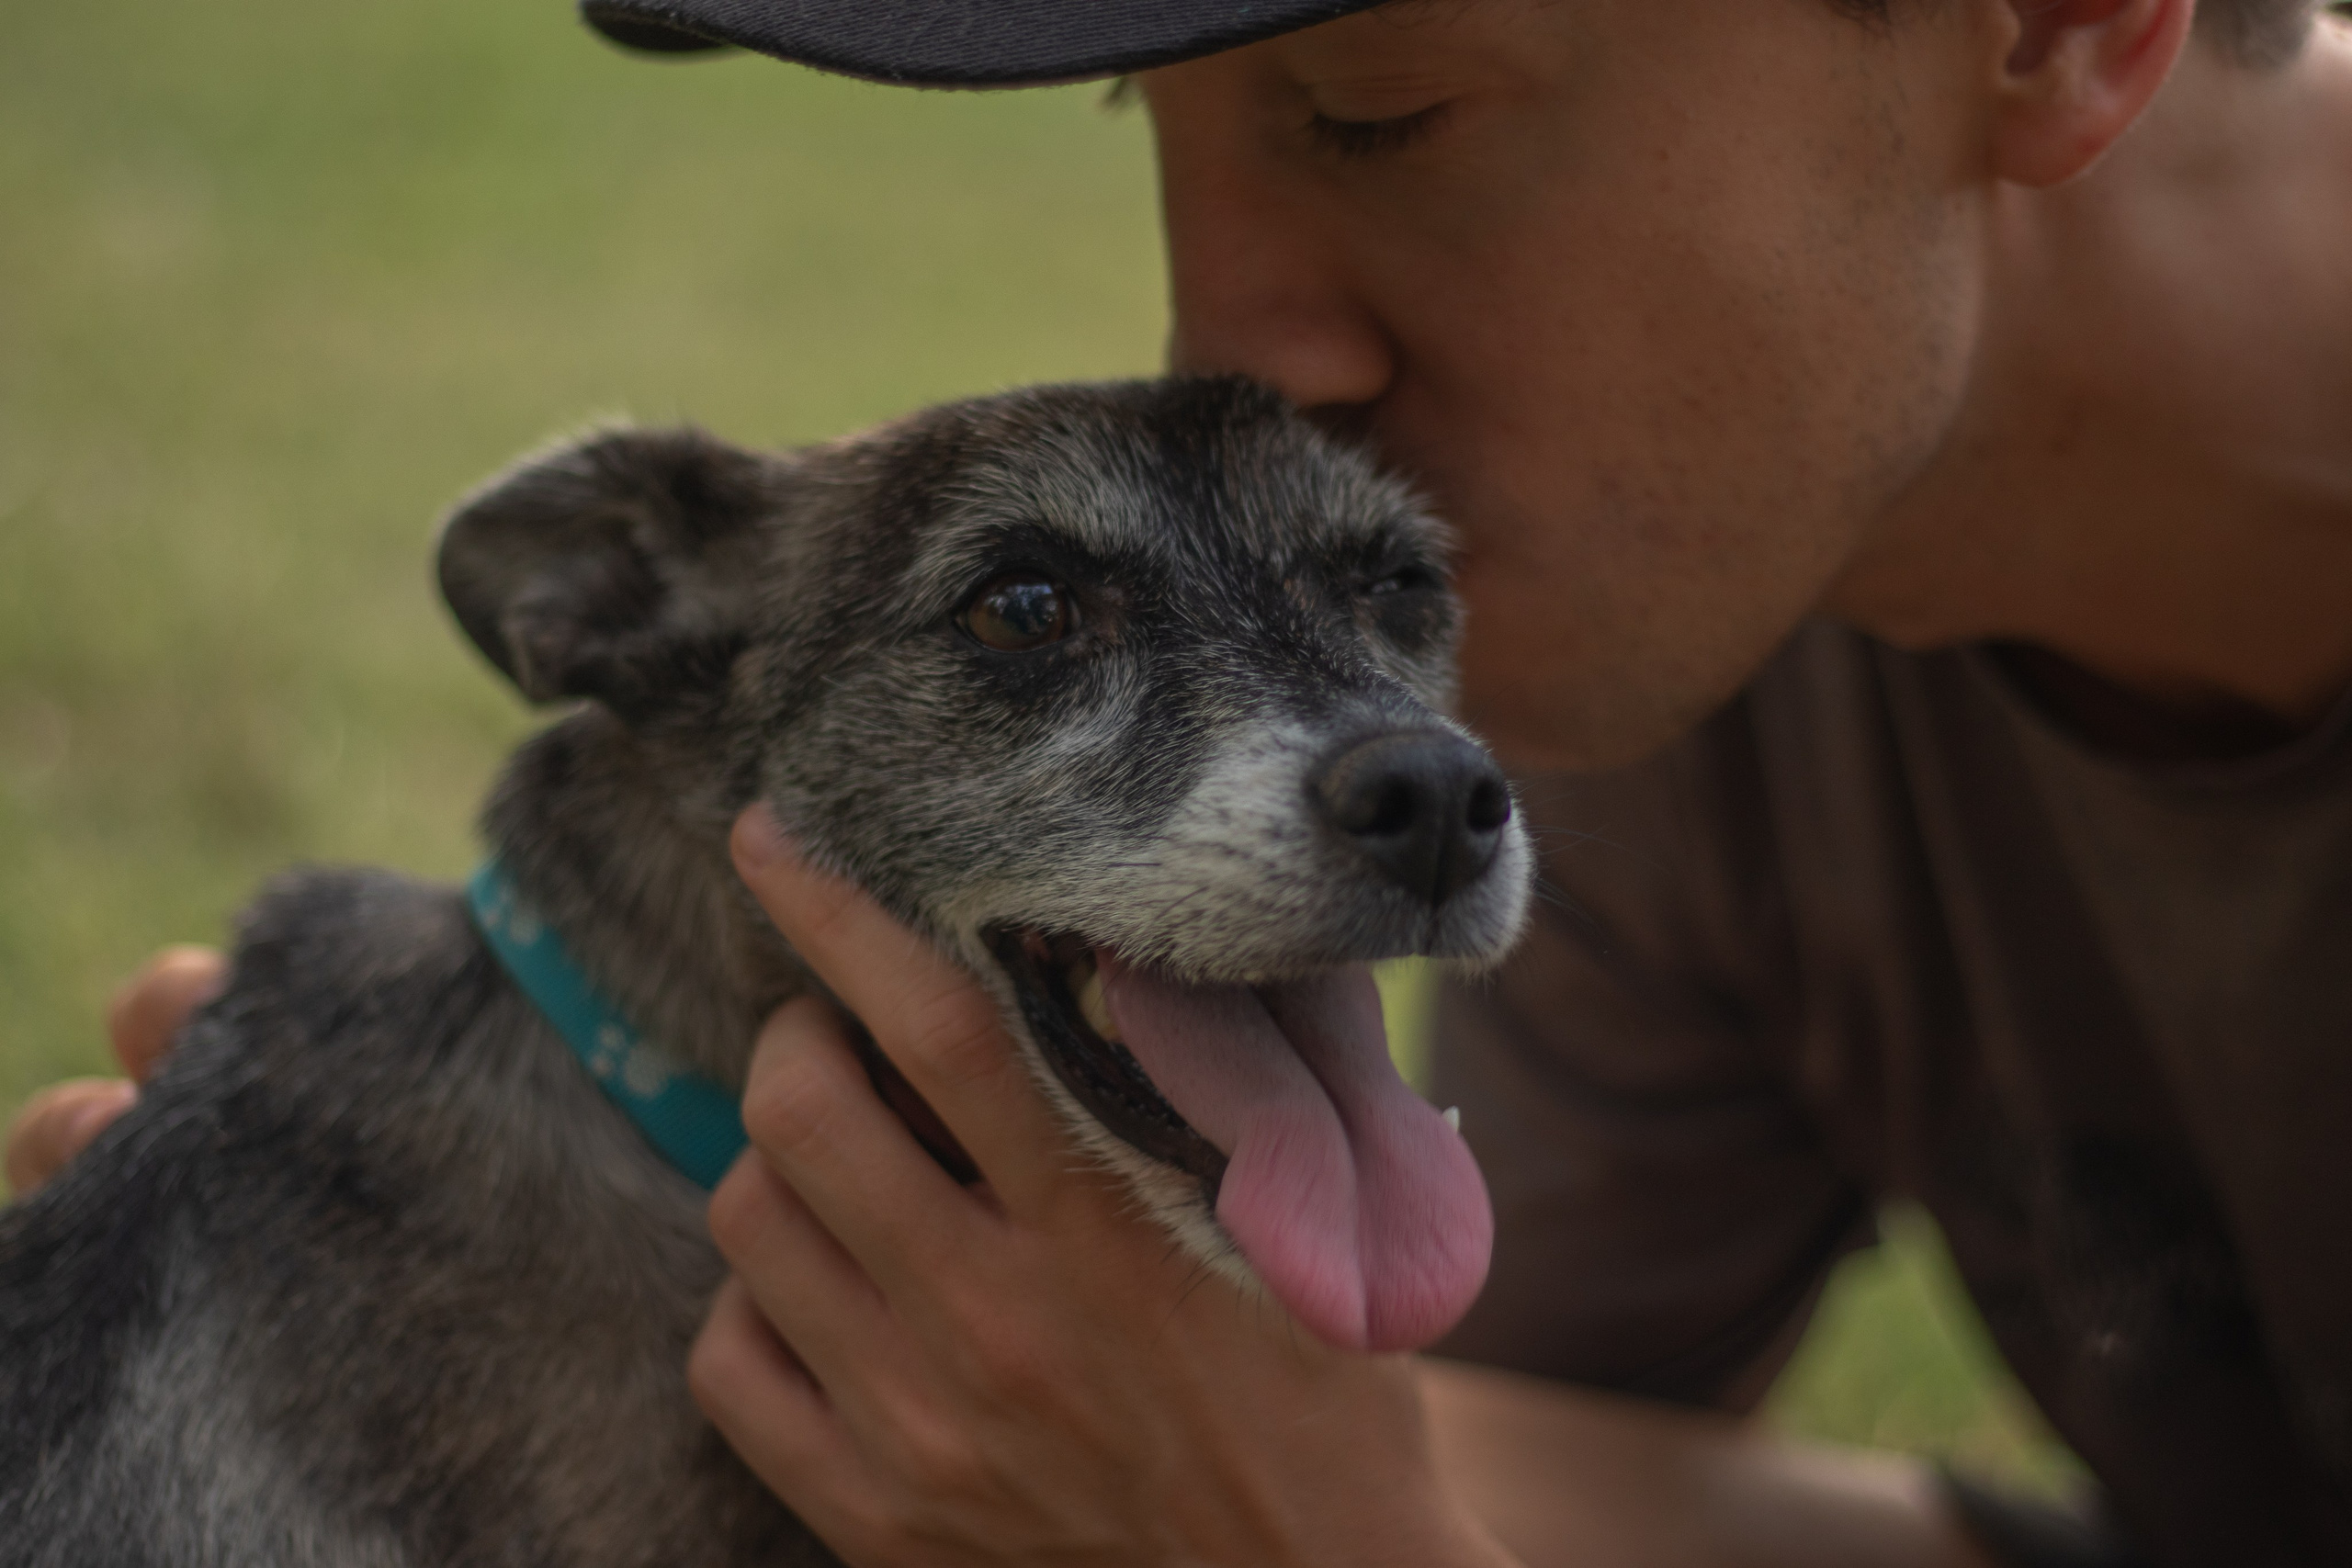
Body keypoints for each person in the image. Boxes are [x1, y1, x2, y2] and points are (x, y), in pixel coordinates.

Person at [10, 0, 2351, 1561]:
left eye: (1377, 109)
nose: (1225, 338)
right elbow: (1440, 1445)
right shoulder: (1642, 632)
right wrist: (583, 1289)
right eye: (1157, 119)